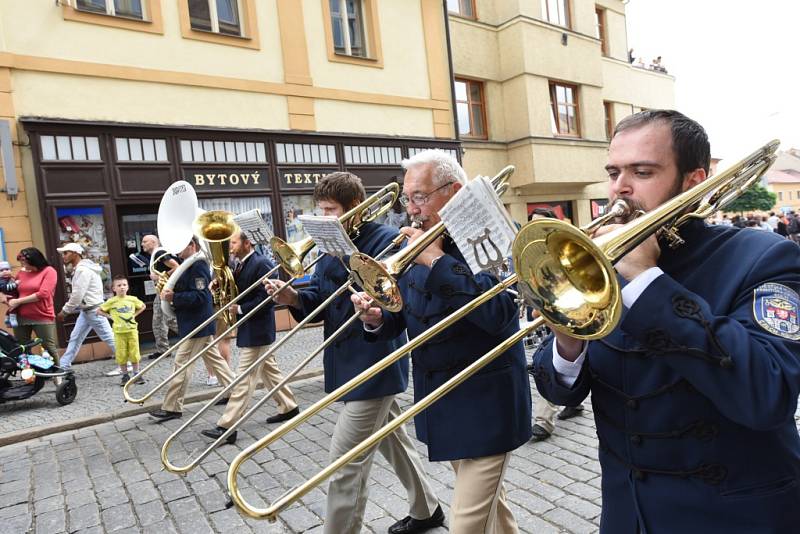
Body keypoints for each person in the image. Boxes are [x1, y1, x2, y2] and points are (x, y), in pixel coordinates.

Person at [531, 109, 800, 532]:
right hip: (629, 516)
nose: (620, 187)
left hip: (734, 515)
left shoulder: (764, 256)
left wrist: (646, 279)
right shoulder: (600, 263)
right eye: (613, 171)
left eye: (642, 171)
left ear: (693, 182)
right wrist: (567, 342)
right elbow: (558, 391)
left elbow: (767, 394)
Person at [352, 150, 532, 534]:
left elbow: (500, 314)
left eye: (420, 196)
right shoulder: (415, 243)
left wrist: (436, 263)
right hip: (444, 399)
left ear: (453, 191)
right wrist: (377, 317)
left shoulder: (493, 232)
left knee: (466, 522)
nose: (411, 209)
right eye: (407, 198)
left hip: (487, 403)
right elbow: (404, 314)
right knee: (493, 513)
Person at [266, 172, 443, 534]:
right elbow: (320, 296)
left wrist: (348, 256)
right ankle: (427, 510)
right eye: (321, 210)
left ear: (354, 209)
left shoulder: (386, 240)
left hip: (374, 362)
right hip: (343, 360)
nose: (324, 217)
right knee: (394, 442)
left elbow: (391, 303)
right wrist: (293, 297)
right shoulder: (329, 244)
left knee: (343, 465)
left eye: (331, 210)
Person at [200, 230, 298, 445]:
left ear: (247, 243)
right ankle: (289, 406)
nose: (231, 246)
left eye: (234, 242)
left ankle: (227, 426)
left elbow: (268, 298)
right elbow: (235, 287)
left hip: (258, 329)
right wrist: (219, 284)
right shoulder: (238, 263)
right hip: (251, 327)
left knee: (243, 379)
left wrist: (241, 308)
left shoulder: (261, 263)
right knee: (270, 371)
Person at [149, 237, 235, 422]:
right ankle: (234, 391)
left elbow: (201, 297)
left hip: (197, 323)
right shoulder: (186, 263)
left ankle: (172, 407)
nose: (177, 253)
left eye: (181, 248)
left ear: (192, 246)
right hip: (193, 322)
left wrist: (174, 297)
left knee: (181, 364)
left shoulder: (199, 265)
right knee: (216, 361)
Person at [524, 209, 584, 443]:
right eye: (531, 224)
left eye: (540, 224)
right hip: (546, 311)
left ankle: (543, 421)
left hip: (567, 311)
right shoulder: (530, 252)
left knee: (552, 359)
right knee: (564, 361)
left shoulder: (564, 247)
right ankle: (574, 400)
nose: (534, 228)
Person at [56, 242, 116, 371]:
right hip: (89, 310)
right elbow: (78, 295)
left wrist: (65, 311)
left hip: (93, 309)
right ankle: (64, 365)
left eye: (66, 253)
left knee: (109, 337)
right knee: (76, 337)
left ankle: (127, 364)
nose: (63, 256)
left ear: (75, 254)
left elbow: (77, 295)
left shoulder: (82, 270)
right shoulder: (83, 268)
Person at [0, 249, 59, 363]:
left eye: (24, 263)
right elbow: (11, 288)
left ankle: (58, 374)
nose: (23, 266)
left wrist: (19, 301)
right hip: (21, 316)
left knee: (48, 346)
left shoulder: (49, 271)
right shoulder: (22, 273)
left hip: (42, 315)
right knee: (22, 348)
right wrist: (2, 295)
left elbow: (43, 294)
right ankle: (31, 375)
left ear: (34, 261)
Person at [98, 275, 146, 386]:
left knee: (134, 353)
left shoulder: (132, 299)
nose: (122, 287)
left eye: (124, 285)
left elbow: (142, 306)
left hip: (132, 330)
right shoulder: (112, 301)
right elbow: (99, 311)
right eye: (119, 285)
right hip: (119, 333)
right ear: (114, 288)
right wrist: (110, 316)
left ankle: (136, 374)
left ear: (128, 287)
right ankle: (125, 375)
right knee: (121, 354)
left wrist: (134, 315)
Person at [140, 235, 179, 360]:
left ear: (153, 242)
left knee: (170, 320)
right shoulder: (155, 254)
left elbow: (176, 266)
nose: (142, 244)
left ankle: (194, 337)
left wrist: (161, 276)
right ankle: (162, 350)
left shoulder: (160, 253)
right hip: (161, 291)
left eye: (145, 241)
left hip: (166, 290)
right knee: (158, 321)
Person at [0, 261, 18, 328]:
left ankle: (7, 317)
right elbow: (4, 288)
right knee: (14, 307)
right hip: (9, 296)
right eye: (1, 270)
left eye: (7, 269)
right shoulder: (2, 280)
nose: (5, 272)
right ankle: (12, 318)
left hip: (13, 295)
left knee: (12, 307)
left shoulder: (10, 278)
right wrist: (15, 284)